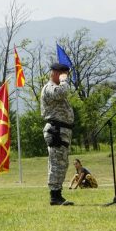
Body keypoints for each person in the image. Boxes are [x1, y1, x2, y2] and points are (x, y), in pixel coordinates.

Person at [41, 62, 74, 206]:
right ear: (55, 73)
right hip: (56, 130)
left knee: (62, 163)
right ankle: (55, 196)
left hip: (62, 130)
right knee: (56, 163)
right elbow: (62, 92)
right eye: (62, 73)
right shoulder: (50, 88)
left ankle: (57, 194)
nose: (65, 76)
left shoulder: (56, 87)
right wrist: (64, 81)